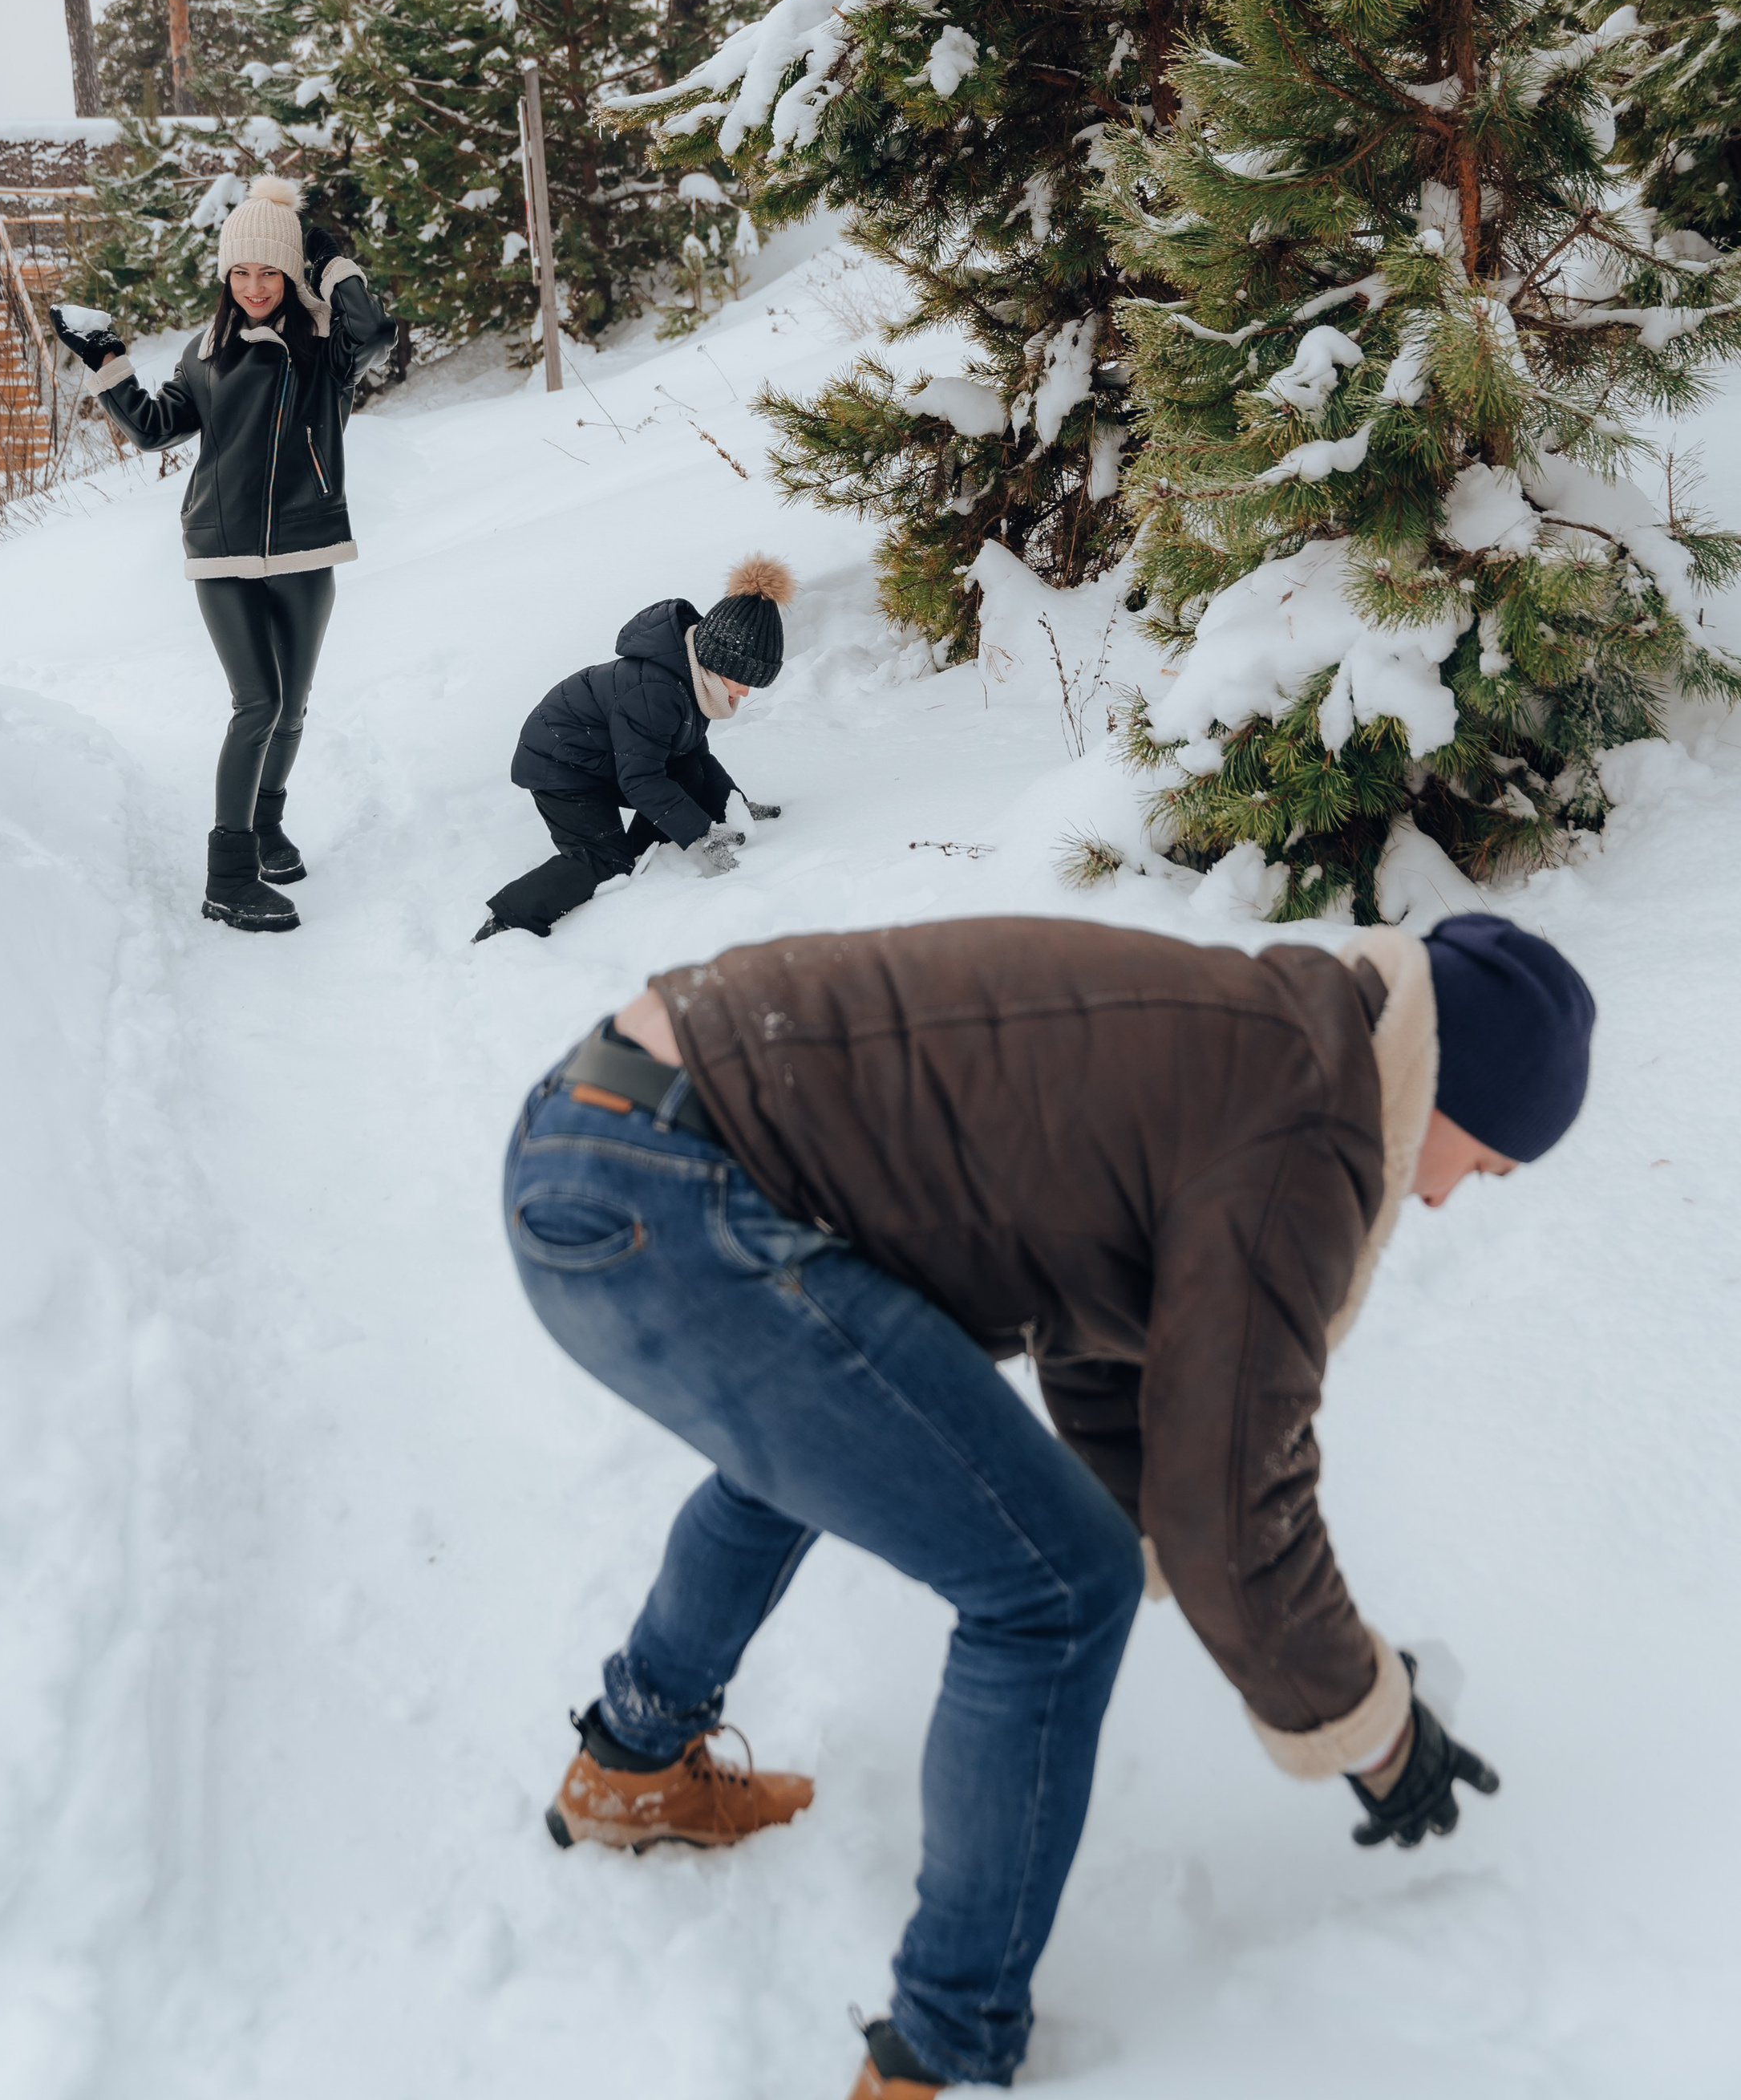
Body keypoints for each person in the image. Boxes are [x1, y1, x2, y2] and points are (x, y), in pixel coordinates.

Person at [503, 910, 1594, 2097]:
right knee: (1056, 1589)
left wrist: (1161, 1522)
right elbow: (1237, 1498)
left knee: (810, 1456)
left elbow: (1096, 1317)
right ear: (1454, 1088)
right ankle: (948, 2048)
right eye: (1483, 1167)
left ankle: (635, 1761)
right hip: (670, 1193)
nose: (1445, 1200)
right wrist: (1375, 1731)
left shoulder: (1264, 1040)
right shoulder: (1306, 1130)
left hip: (597, 1135)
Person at [49, 176, 393, 932]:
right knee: (258, 706)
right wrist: (106, 360)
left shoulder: (323, 354)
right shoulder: (204, 355)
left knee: (292, 711)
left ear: (290, 275)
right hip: (222, 554)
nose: (254, 285)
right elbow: (151, 428)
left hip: (307, 547)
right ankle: (228, 875)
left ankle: (266, 828)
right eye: (241, 272)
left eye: (269, 271)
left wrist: (335, 268)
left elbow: (371, 333)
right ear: (225, 277)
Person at [475, 556, 794, 941]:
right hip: (561, 765)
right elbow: (640, 779)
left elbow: (692, 755)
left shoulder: (695, 680)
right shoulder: (657, 690)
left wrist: (733, 804)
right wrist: (700, 833)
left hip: (604, 754)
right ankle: (509, 919)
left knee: (687, 775)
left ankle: (649, 853)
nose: (744, 692)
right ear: (717, 660)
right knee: (603, 861)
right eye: (741, 679)